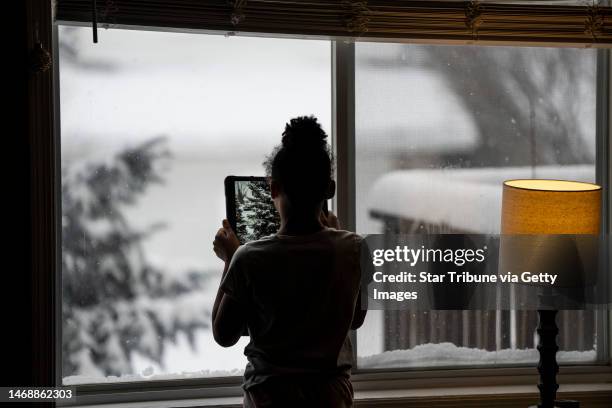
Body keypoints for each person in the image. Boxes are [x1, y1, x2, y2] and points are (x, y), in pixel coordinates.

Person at [212, 116, 369, 407]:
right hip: (331, 399)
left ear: (273, 188)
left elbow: (223, 335)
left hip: (270, 397)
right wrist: (337, 235)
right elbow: (356, 319)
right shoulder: (357, 250)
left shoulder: (248, 258)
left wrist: (230, 259)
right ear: (329, 190)